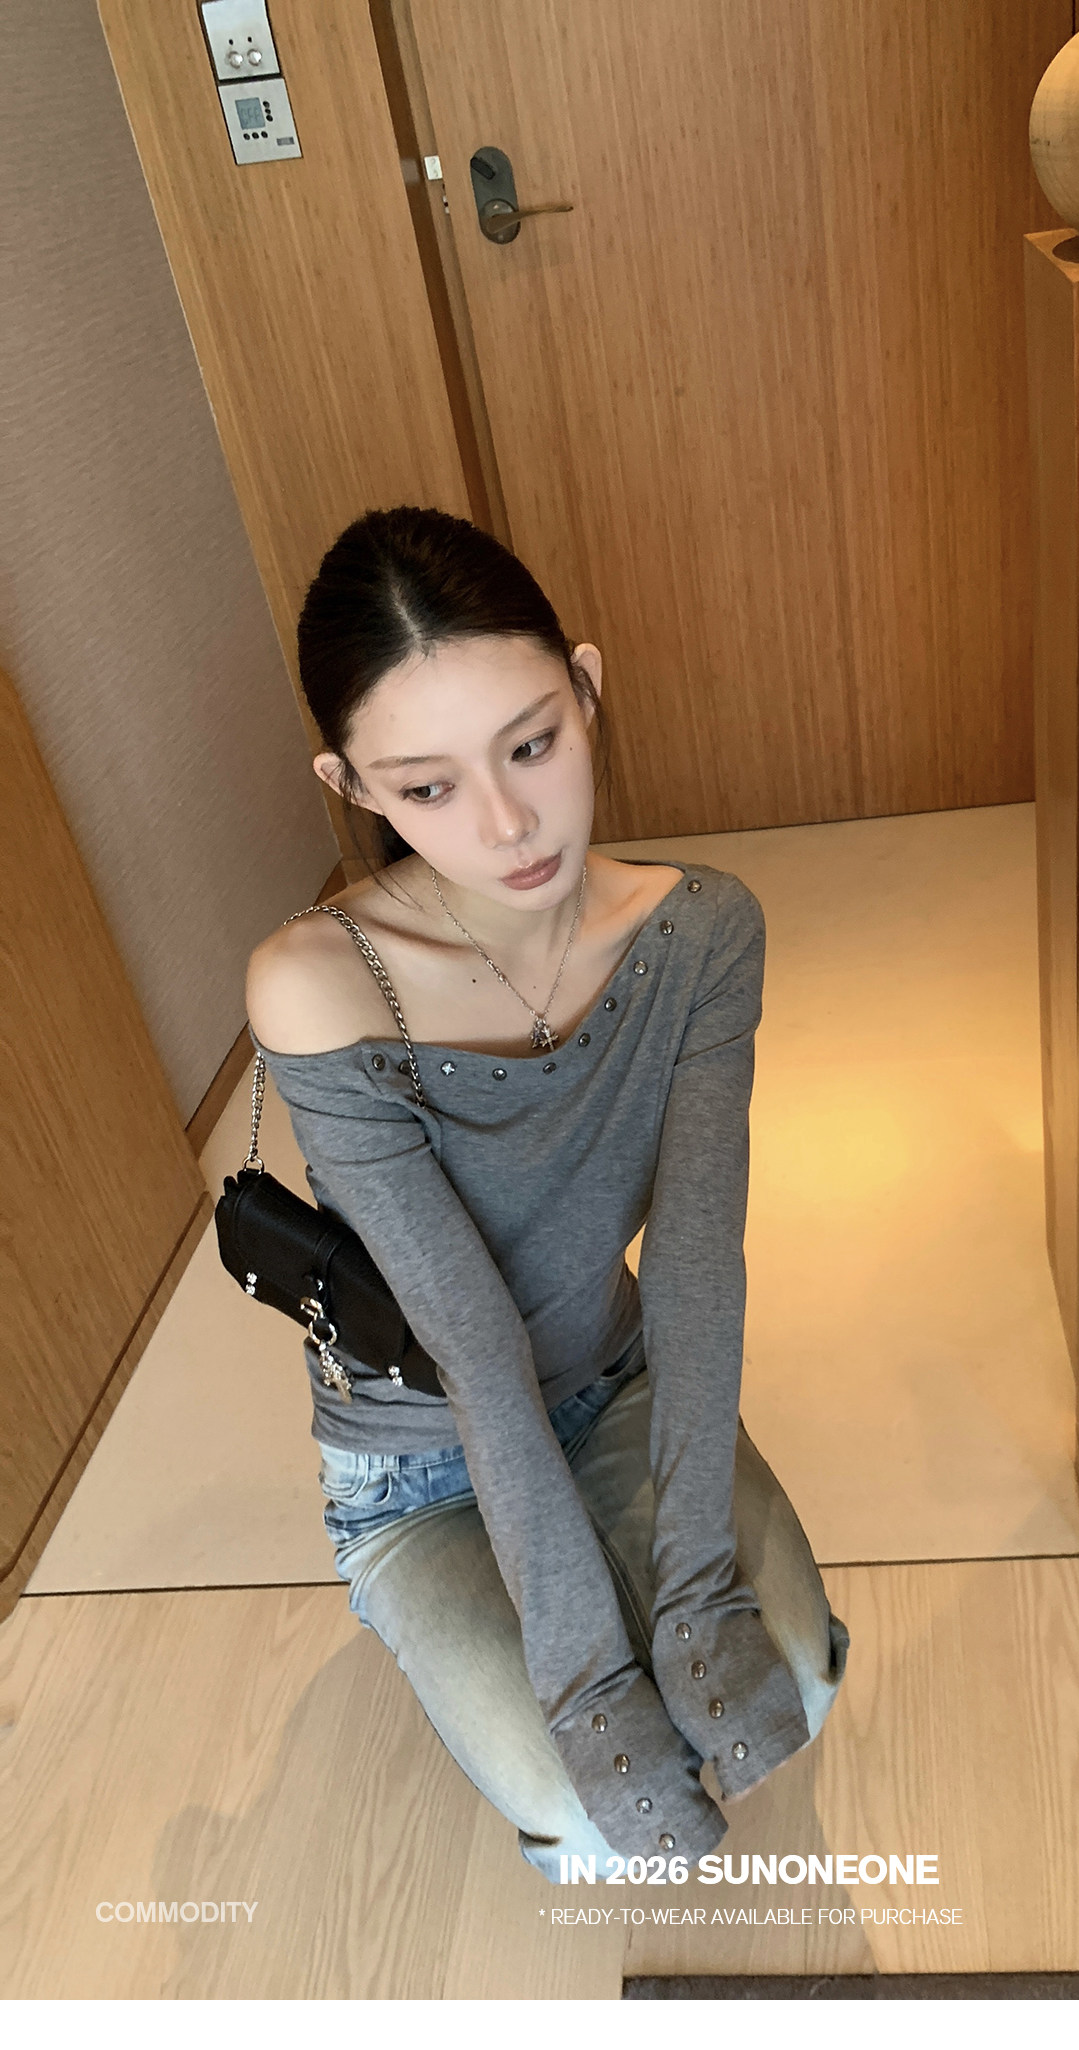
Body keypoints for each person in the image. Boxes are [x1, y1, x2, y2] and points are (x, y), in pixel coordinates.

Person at [245, 505, 849, 1881]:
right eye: (428, 788)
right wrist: (588, 1681)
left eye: (531, 744)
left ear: (585, 685)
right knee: (586, 1815)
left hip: (614, 1379)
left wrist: (696, 1594)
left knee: (791, 1684)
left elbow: (694, 1269)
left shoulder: (699, 931)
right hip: (423, 1463)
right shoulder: (318, 983)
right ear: (351, 784)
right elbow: (470, 1346)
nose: (510, 823)